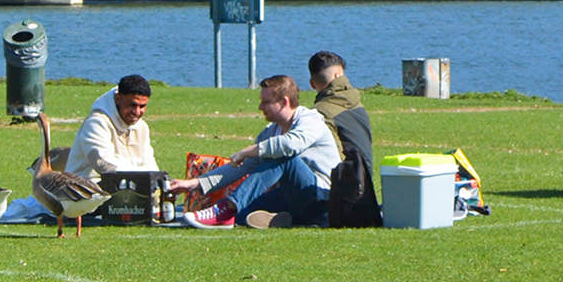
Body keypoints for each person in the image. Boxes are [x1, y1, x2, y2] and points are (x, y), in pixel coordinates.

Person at [172, 74, 341, 229]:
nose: (260, 107)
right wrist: (194, 184)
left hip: (322, 198)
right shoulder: (271, 131)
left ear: (284, 102)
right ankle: (284, 219)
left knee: (283, 157)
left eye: (266, 102)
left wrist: (251, 150)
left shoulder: (310, 121)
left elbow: (289, 145)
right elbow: (240, 167)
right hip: (291, 196)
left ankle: (225, 209)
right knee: (240, 214)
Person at [309, 50, 381, 227]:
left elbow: (330, 159)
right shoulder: (356, 101)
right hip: (365, 185)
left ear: (312, 83)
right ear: (339, 74)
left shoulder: (323, 111)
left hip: (342, 192)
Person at [65, 74, 160, 185]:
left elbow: (149, 164)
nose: (137, 112)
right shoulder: (96, 123)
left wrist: (160, 182)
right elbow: (103, 164)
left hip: (124, 190)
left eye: (142, 106)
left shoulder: (141, 127)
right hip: (84, 191)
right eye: (132, 105)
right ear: (118, 99)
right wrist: (142, 179)